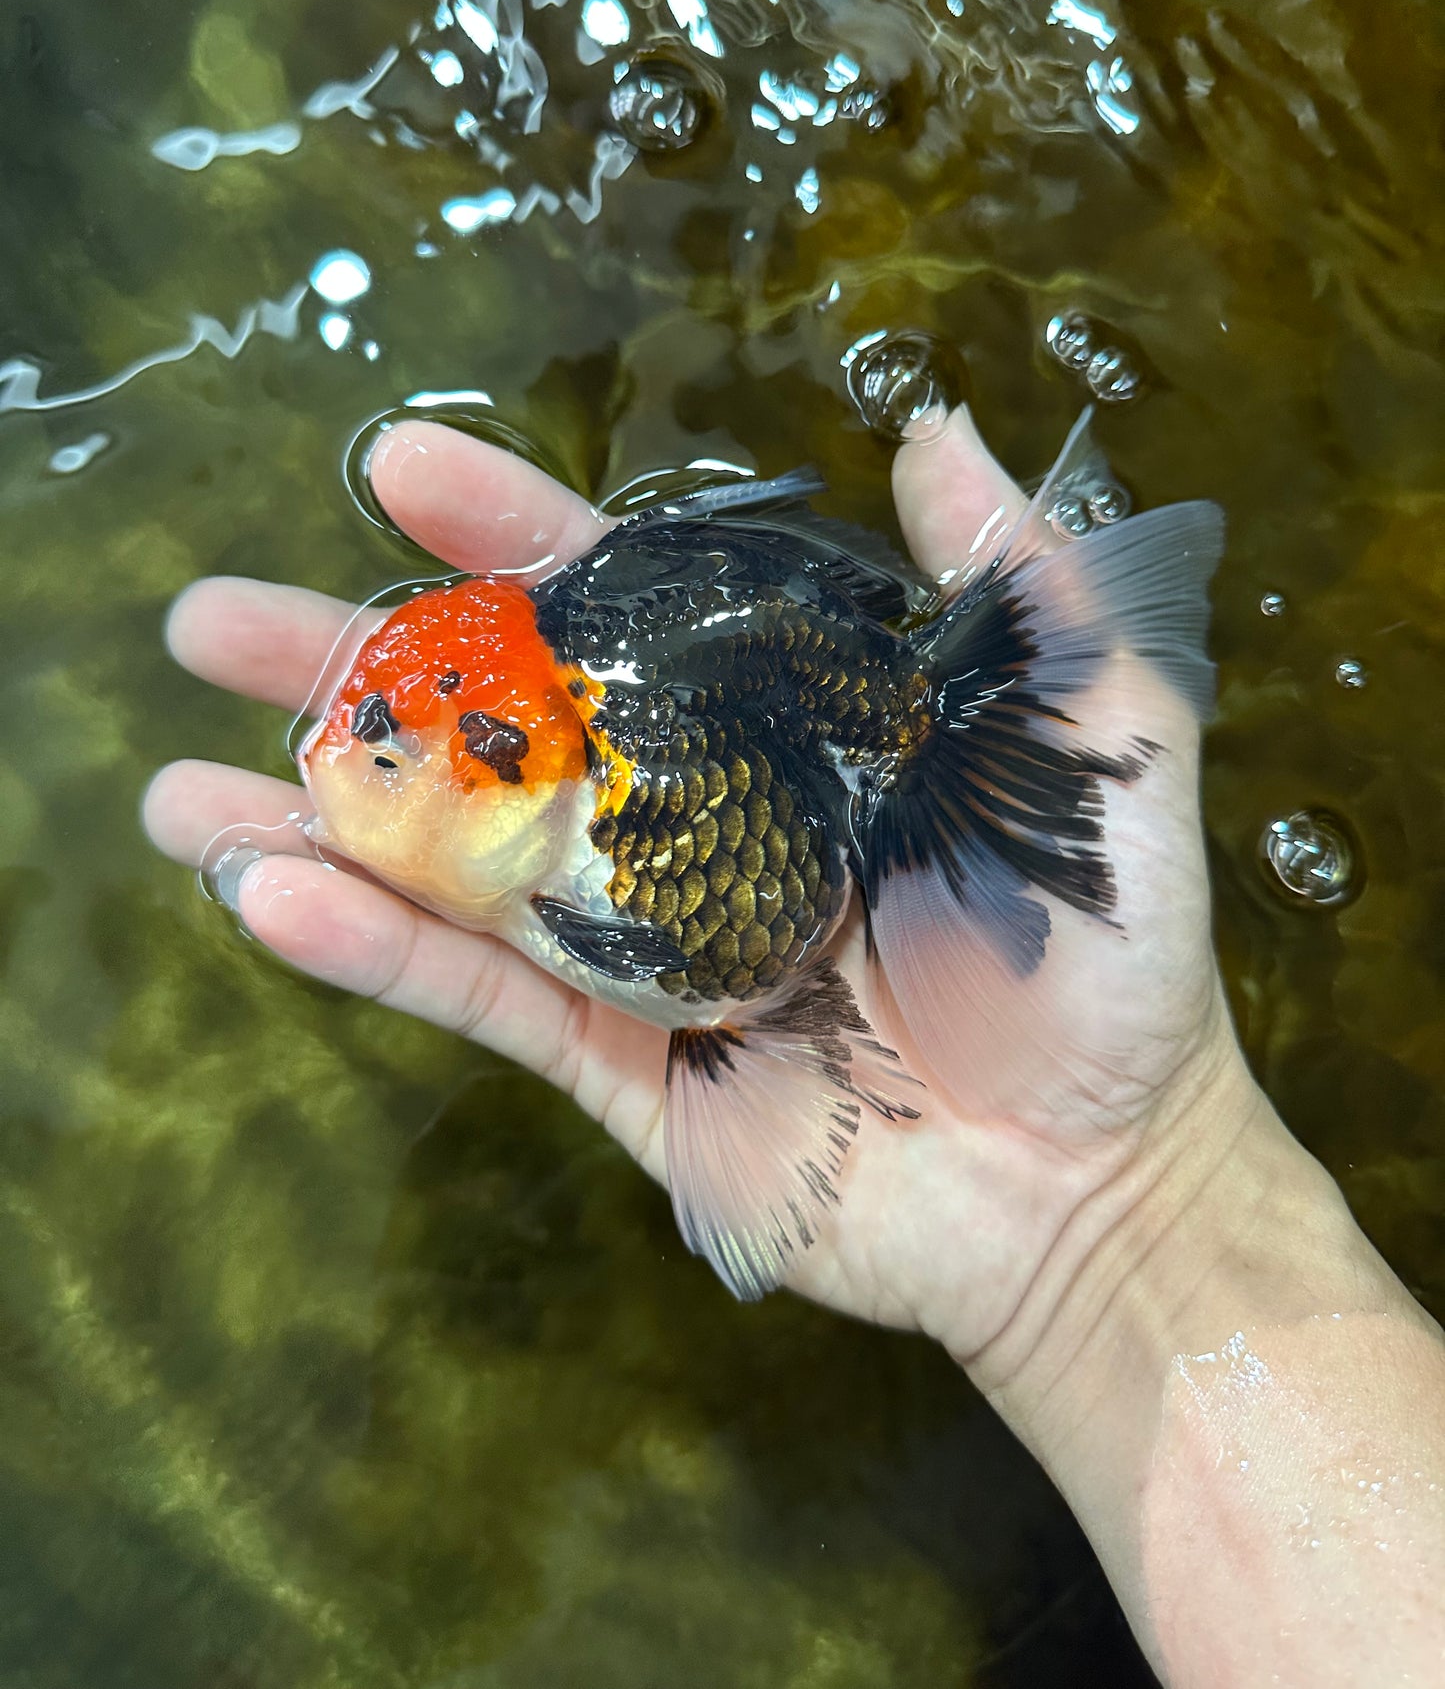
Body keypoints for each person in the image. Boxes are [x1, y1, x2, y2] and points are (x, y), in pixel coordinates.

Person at [144, 405, 1445, 1685]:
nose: (346, 761)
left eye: (389, 756)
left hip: (801, 875)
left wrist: (1137, 1173)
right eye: (375, 748)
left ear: (522, 766)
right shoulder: (542, 802)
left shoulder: (592, 825)